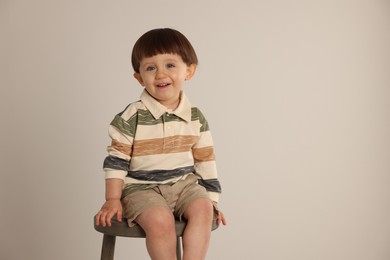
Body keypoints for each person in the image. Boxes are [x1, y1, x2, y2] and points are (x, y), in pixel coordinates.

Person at [95, 28, 226, 260]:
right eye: (151, 68)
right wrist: (112, 199)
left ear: (189, 71)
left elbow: (205, 159)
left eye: (170, 65)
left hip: (184, 185)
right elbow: (116, 160)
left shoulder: (195, 117)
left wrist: (213, 200)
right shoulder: (131, 116)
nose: (160, 74)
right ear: (139, 77)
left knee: (203, 208)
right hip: (141, 189)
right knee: (160, 219)